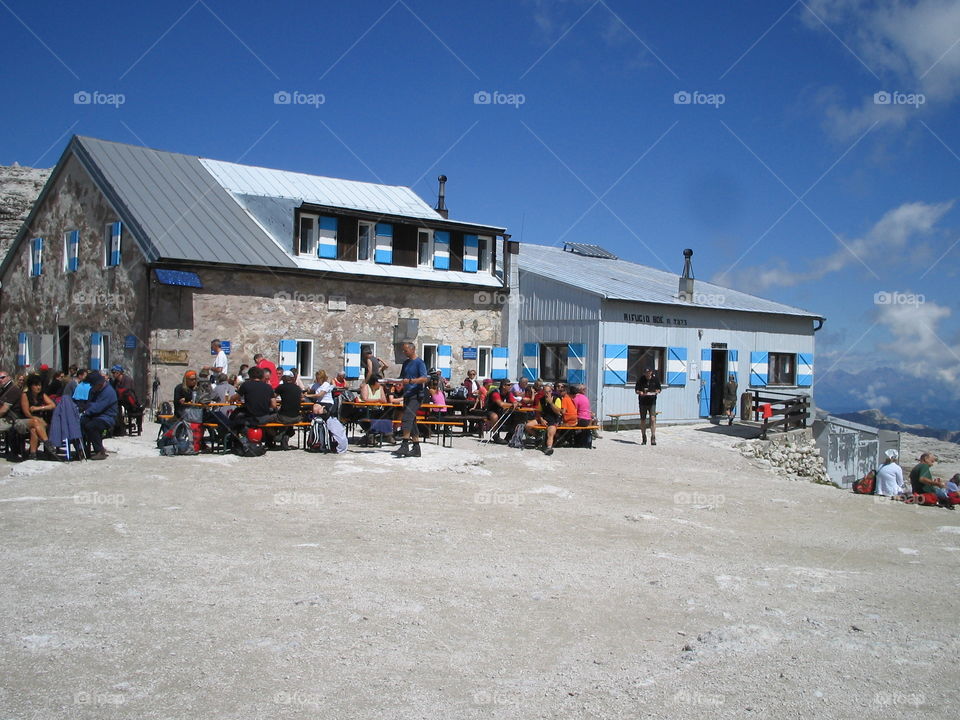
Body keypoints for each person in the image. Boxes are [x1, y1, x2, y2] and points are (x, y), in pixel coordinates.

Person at [392, 342, 429, 458]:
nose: (404, 352)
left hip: (416, 395)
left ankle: (405, 445)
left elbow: (424, 378)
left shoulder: (419, 363)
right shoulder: (406, 363)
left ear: (412, 350)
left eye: (405, 350)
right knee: (412, 421)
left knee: (407, 418)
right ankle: (416, 448)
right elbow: (402, 378)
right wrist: (392, 381)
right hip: (407, 394)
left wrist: (411, 381)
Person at [19, 374, 59, 460]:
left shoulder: (42, 395)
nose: (38, 387)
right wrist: (36, 419)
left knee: (34, 430)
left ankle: (32, 454)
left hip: (38, 423)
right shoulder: (25, 395)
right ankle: (47, 442)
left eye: (40, 385)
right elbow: (26, 413)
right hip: (25, 421)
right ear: (31, 386)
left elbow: (53, 405)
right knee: (36, 422)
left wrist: (39, 408)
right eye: (36, 385)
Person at [79, 371, 116, 460]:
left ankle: (99, 451)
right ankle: (82, 449)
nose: (91, 387)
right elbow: (89, 404)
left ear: (99, 384)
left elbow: (98, 407)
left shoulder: (108, 392)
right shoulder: (94, 390)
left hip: (106, 417)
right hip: (95, 415)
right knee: (81, 422)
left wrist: (86, 411)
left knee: (92, 426)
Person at [230, 366, 279, 431]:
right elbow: (274, 405)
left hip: (251, 417)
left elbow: (235, 397)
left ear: (250, 375)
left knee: (235, 416)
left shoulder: (246, 385)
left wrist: (231, 399)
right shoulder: (268, 387)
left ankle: (234, 435)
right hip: (265, 417)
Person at [525, 383, 563, 455]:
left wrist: (551, 403)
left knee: (550, 433)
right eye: (545, 392)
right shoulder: (541, 400)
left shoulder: (557, 399)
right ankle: (538, 436)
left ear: (551, 391)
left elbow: (558, 412)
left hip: (553, 419)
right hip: (543, 418)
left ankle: (549, 447)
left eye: (548, 391)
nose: (547, 393)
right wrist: (541, 419)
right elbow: (539, 412)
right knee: (528, 426)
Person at [275, 370, 304, 450]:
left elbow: (273, 397)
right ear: (291, 378)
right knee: (288, 421)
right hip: (297, 417)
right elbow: (302, 398)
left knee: (270, 417)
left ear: (283, 378)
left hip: (284, 417)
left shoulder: (281, 387)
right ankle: (286, 435)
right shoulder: (297, 388)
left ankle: (276, 437)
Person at [634, 367, 661, 446]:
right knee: (643, 420)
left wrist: (656, 391)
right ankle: (644, 437)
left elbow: (659, 389)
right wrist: (640, 392)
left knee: (652, 419)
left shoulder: (655, 379)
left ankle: (653, 437)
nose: (647, 374)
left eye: (648, 373)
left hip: (652, 401)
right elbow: (636, 390)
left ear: (651, 372)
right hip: (643, 402)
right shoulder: (641, 379)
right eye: (646, 373)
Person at [485, 378, 516, 443]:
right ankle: (495, 435)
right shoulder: (495, 393)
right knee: (495, 416)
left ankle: (509, 436)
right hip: (490, 411)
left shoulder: (508, 393)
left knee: (516, 416)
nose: (510, 386)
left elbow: (514, 401)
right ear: (503, 386)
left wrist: (515, 403)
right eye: (508, 385)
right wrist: (512, 404)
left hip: (501, 411)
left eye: (510, 385)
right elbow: (501, 404)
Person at [569, 384, 594, 448]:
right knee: (585, 430)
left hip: (580, 419)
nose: (585, 390)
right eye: (584, 389)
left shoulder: (576, 398)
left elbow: (574, 409)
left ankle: (574, 442)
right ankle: (585, 442)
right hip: (587, 419)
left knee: (569, 424)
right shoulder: (585, 398)